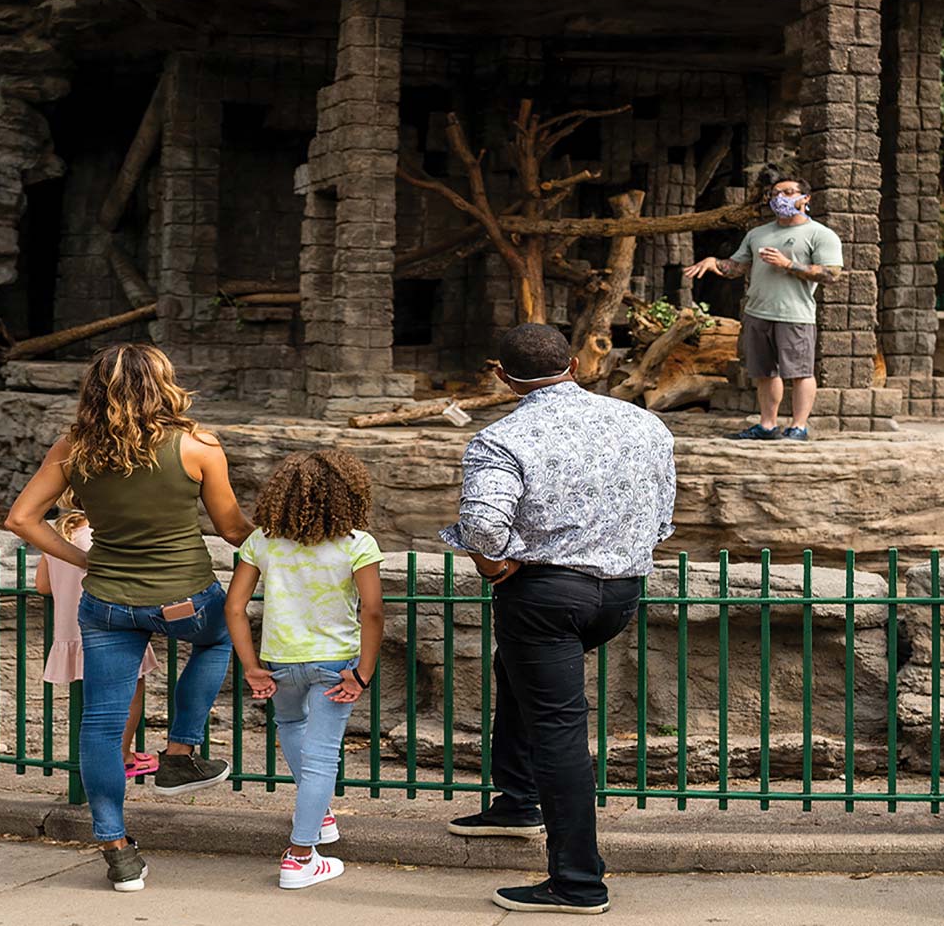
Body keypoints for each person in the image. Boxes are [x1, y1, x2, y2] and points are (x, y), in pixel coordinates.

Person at [441, 323, 676, 916]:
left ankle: (576, 881)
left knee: (559, 728)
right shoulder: (643, 423)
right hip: (620, 593)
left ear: (500, 374)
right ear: (575, 363)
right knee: (515, 675)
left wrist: (495, 570)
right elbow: (664, 516)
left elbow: (484, 528)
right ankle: (516, 801)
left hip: (544, 594)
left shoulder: (501, 438)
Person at [5, 342, 253, 893]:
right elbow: (234, 531)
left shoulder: (74, 448)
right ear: (163, 383)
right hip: (183, 597)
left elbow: (21, 518)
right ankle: (180, 754)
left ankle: (116, 849)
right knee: (217, 642)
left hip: (106, 605)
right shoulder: (198, 445)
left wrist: (83, 558)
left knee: (100, 723)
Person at [225, 450, 385, 891]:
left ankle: (321, 817)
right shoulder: (358, 545)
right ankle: (299, 856)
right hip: (335, 663)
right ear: (350, 495)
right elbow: (372, 611)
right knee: (322, 757)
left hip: (280, 661)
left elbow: (234, 607)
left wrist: (252, 667)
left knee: (293, 726)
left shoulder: (262, 541)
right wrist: (363, 673)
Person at [684, 174, 844, 442]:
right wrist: (716, 263)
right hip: (758, 312)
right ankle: (767, 426)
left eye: (788, 192)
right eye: (775, 193)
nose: (780, 198)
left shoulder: (820, 234)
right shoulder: (758, 233)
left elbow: (832, 274)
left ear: (806, 198)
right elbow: (738, 267)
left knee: (801, 372)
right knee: (764, 373)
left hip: (795, 314)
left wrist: (788, 264)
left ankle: (798, 427)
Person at [36, 488, 160, 778]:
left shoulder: (59, 535)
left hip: (71, 630)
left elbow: (42, 586)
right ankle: (123, 755)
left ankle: (92, 762)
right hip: (113, 626)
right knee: (131, 691)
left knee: (91, 703)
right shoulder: (111, 534)